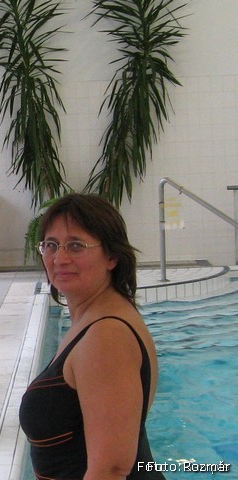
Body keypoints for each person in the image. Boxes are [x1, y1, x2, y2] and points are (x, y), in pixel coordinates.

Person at [19, 193, 165, 480]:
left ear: (112, 256)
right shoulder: (95, 320)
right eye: (51, 245)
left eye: (76, 245)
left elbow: (110, 470)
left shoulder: (107, 336)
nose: (60, 258)